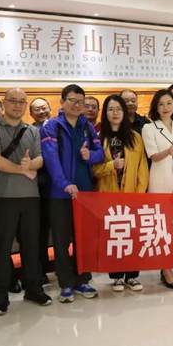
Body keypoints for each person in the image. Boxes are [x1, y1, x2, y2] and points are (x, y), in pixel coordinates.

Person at [0, 88, 52, 314]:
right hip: (2, 196)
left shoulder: (32, 130)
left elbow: (40, 159)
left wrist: (30, 166)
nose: (18, 105)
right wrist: (23, 170)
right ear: (4, 103)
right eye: (13, 100)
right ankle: (1, 297)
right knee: (2, 248)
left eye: (22, 101)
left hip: (30, 196)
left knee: (32, 245)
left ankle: (34, 289)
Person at [41, 84, 104, 302]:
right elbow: (50, 158)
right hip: (60, 193)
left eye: (80, 102)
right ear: (62, 102)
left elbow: (100, 153)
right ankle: (66, 283)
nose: (77, 105)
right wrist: (64, 183)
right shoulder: (52, 126)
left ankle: (82, 280)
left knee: (83, 239)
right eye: (72, 101)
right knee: (61, 240)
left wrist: (90, 156)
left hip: (85, 193)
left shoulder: (87, 127)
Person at [93, 95, 149, 292]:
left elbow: (142, 168)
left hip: (131, 196)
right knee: (114, 236)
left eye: (118, 109)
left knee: (133, 235)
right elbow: (94, 170)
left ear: (124, 112)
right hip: (108, 196)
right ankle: (116, 276)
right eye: (111, 109)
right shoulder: (98, 137)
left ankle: (132, 276)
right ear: (105, 113)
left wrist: (139, 195)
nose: (115, 113)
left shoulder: (135, 137)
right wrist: (111, 165)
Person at [142, 89, 173, 288]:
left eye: (169, 103)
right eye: (161, 104)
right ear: (156, 107)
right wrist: (168, 151)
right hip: (159, 180)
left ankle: (169, 267)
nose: (165, 107)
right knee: (162, 228)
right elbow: (153, 156)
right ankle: (165, 269)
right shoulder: (149, 128)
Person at [28, 96, 52, 284]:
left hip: (61, 186)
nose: (42, 111)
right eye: (37, 109)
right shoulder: (28, 132)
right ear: (31, 114)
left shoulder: (59, 127)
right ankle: (41, 270)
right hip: (40, 188)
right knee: (40, 231)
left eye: (44, 107)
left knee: (63, 231)